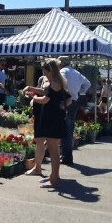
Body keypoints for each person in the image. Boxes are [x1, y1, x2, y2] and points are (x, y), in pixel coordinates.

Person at [22, 58, 71, 188]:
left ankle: (54, 180)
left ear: (50, 71)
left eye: (45, 71)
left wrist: (33, 97)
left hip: (51, 119)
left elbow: (44, 99)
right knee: (54, 150)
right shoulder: (58, 82)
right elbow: (64, 98)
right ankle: (54, 176)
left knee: (54, 152)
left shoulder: (54, 83)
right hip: (55, 118)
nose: (44, 74)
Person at [58, 56, 90, 166]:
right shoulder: (76, 72)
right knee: (70, 129)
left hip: (66, 101)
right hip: (75, 101)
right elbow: (88, 84)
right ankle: (68, 156)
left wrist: (66, 92)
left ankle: (66, 157)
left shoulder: (63, 71)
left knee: (65, 130)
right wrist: (79, 92)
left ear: (61, 63)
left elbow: (62, 81)